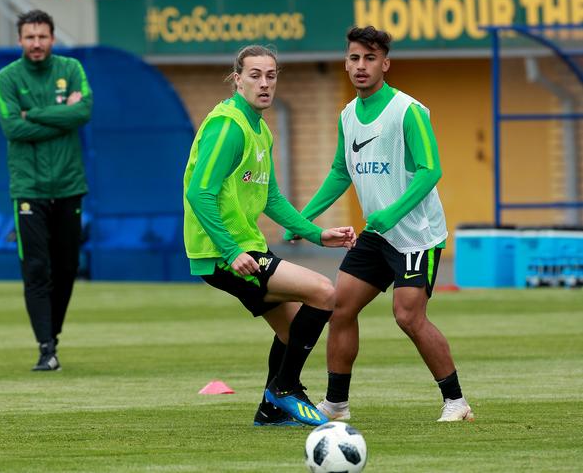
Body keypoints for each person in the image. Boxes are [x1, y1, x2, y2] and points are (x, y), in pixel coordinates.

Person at [284, 26, 474, 422]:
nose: (361, 66)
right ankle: (336, 405)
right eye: (354, 58)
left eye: (370, 58)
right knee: (340, 309)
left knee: (407, 316)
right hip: (376, 235)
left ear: (385, 64)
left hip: (415, 236)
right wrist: (303, 219)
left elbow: (430, 171)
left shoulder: (409, 111)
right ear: (346, 63)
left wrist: (392, 213)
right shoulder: (347, 115)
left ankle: (456, 402)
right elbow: (341, 171)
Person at [183, 45, 356, 427]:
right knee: (324, 292)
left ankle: (270, 410)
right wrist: (230, 250)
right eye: (255, 75)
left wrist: (314, 233)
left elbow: (271, 196)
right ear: (237, 79)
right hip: (223, 252)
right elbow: (199, 193)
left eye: (271, 75)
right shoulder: (228, 126)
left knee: (292, 328)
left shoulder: (259, 128)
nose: (264, 83)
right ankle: (285, 388)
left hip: (241, 248)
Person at [0, 10, 93, 371]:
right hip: (29, 189)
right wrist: (57, 115)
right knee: (36, 267)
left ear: (52, 38)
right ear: (19, 40)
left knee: (67, 267)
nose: (36, 43)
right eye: (29, 37)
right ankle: (45, 347)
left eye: (42, 36)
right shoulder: (7, 77)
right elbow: (11, 129)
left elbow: (82, 113)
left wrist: (32, 114)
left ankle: (53, 337)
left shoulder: (71, 70)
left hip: (69, 186)